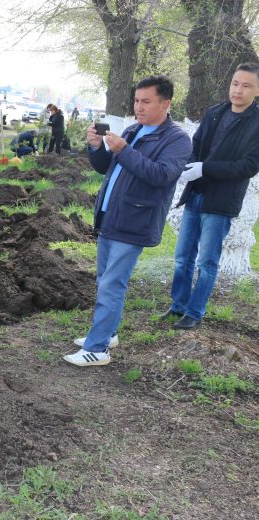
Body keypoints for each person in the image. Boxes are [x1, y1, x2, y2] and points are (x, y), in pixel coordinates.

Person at [64, 75, 192, 367]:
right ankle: (107, 333)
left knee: (112, 283)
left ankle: (97, 349)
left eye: (146, 101)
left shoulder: (177, 139)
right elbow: (106, 168)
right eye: (136, 100)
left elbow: (160, 176)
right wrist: (97, 147)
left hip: (135, 220)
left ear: (166, 103)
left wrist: (124, 150)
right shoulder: (134, 129)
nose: (139, 107)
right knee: (104, 279)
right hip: (111, 217)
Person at [163, 63, 259, 330]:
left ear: (257, 90)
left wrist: (205, 168)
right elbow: (196, 146)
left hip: (221, 201)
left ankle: (194, 311)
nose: (238, 90)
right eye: (235, 83)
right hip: (195, 194)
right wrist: (189, 167)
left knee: (207, 261)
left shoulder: (256, 123)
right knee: (183, 257)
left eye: (246, 85)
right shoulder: (215, 112)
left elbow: (249, 166)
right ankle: (178, 306)